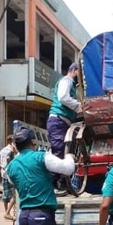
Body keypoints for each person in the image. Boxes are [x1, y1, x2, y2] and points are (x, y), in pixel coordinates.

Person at [47, 62, 79, 193]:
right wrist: (78, 106)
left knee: (63, 152)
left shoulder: (72, 84)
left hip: (62, 122)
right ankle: (53, 184)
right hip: (58, 120)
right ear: (75, 70)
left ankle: (61, 183)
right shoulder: (67, 80)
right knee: (58, 151)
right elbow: (63, 97)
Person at [0, 134, 17, 221]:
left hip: (4, 173)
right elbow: (9, 160)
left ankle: (6, 212)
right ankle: (7, 212)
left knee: (6, 194)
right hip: (10, 174)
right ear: (11, 142)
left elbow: (0, 160)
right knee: (15, 195)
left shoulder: (2, 150)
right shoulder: (11, 151)